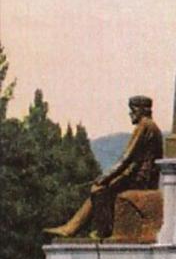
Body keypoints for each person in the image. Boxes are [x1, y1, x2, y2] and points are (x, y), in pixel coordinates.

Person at [44, 96, 163, 239]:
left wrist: (105, 177)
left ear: (143, 110)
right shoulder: (150, 126)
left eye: (133, 110)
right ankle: (71, 227)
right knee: (97, 189)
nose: (130, 113)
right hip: (141, 177)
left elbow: (126, 159)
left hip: (142, 180)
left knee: (99, 190)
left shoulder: (144, 126)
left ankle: (103, 230)